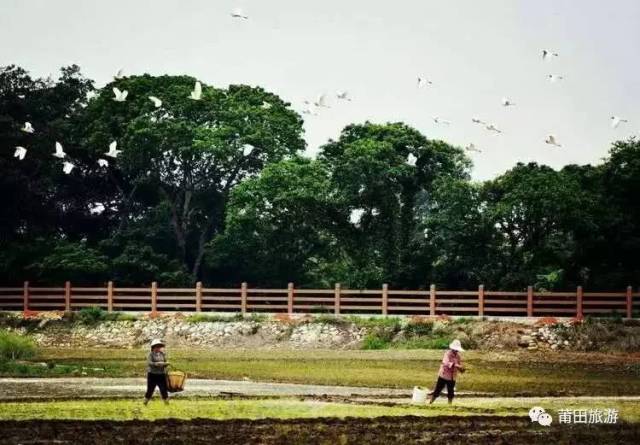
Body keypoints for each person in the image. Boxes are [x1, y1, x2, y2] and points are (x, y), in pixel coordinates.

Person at [429, 339, 465, 404]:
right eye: (455, 349)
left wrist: (461, 369)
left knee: (451, 392)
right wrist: (456, 365)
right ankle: (430, 403)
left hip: (452, 377)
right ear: (453, 348)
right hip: (444, 375)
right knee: (437, 390)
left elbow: (459, 366)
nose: (456, 351)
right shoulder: (447, 354)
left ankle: (449, 404)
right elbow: (446, 363)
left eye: (457, 350)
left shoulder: (458, 356)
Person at [144, 338, 170, 405]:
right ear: (153, 347)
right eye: (156, 347)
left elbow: (166, 362)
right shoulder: (150, 354)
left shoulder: (162, 354)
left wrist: (165, 364)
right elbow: (149, 363)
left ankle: (166, 403)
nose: (158, 348)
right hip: (152, 375)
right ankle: (145, 403)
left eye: (159, 347)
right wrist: (156, 364)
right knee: (150, 390)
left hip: (161, 375)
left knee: (163, 389)